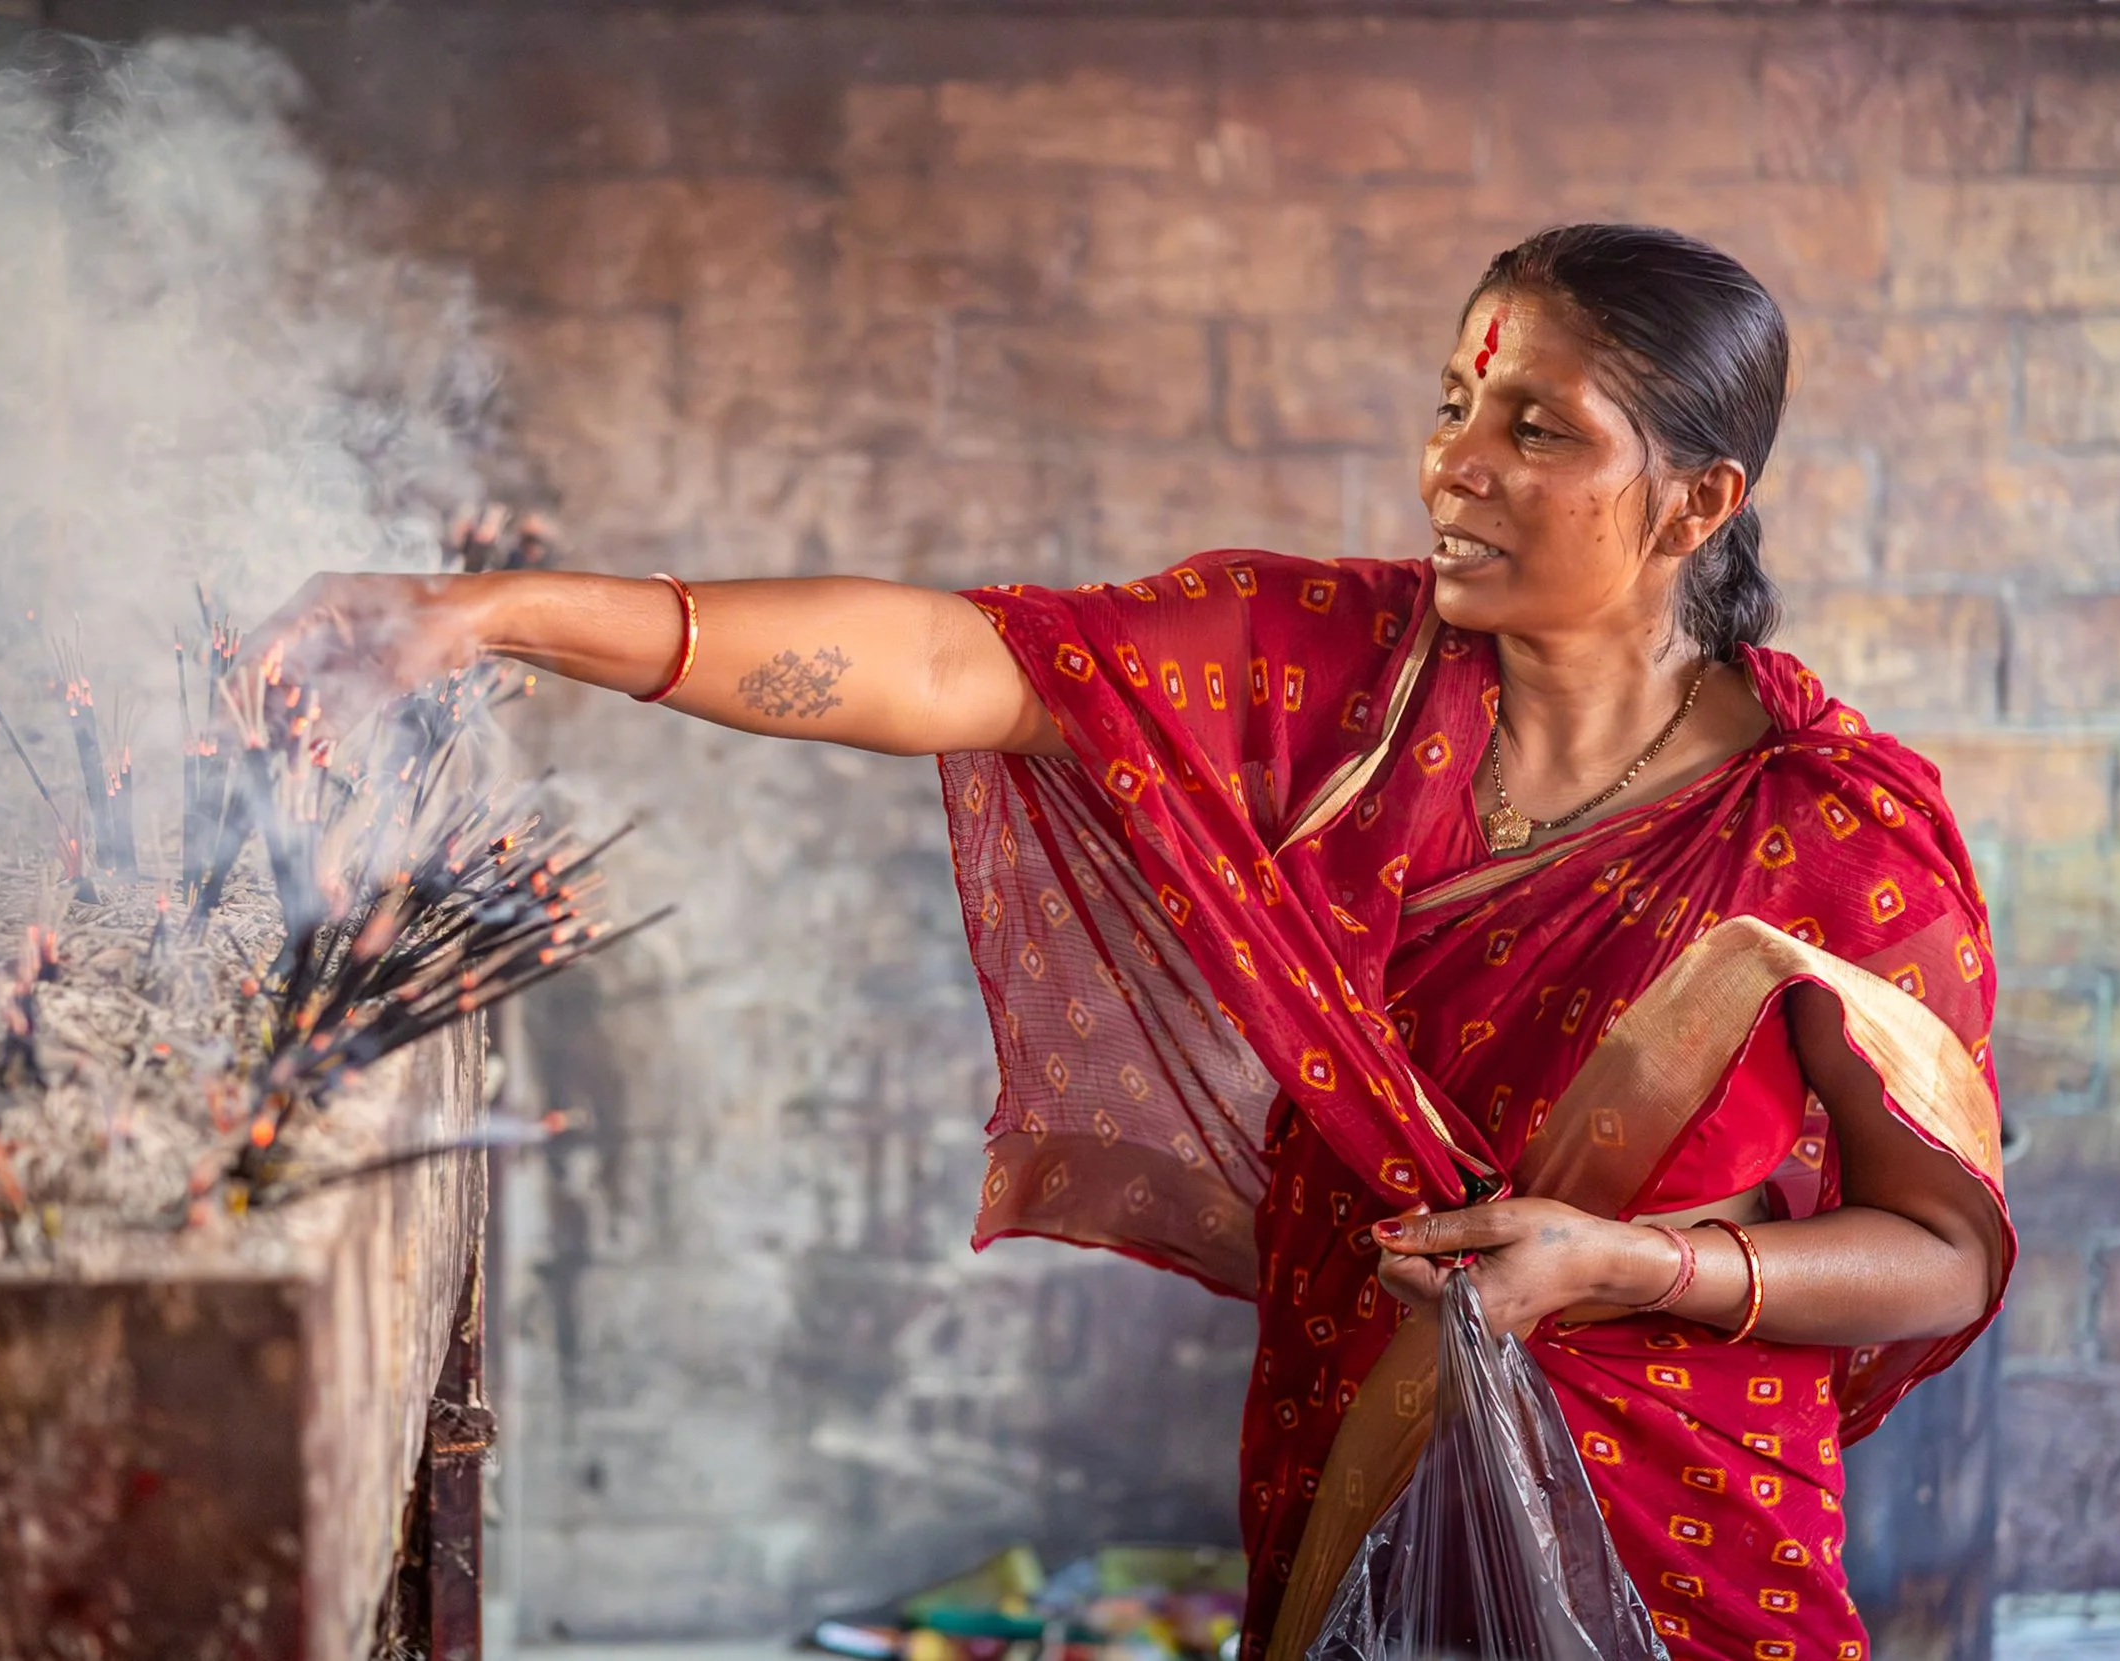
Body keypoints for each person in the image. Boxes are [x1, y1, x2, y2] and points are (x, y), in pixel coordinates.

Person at [255, 224, 2011, 1661]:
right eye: (1457, 402)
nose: (1451, 465)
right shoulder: (1347, 670)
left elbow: (1937, 1252)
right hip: (1353, 1442)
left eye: (1537, 431)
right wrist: (495, 616)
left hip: (1682, 1527)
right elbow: (956, 665)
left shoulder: (1829, 836)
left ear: (1697, 506)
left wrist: (1636, 1269)